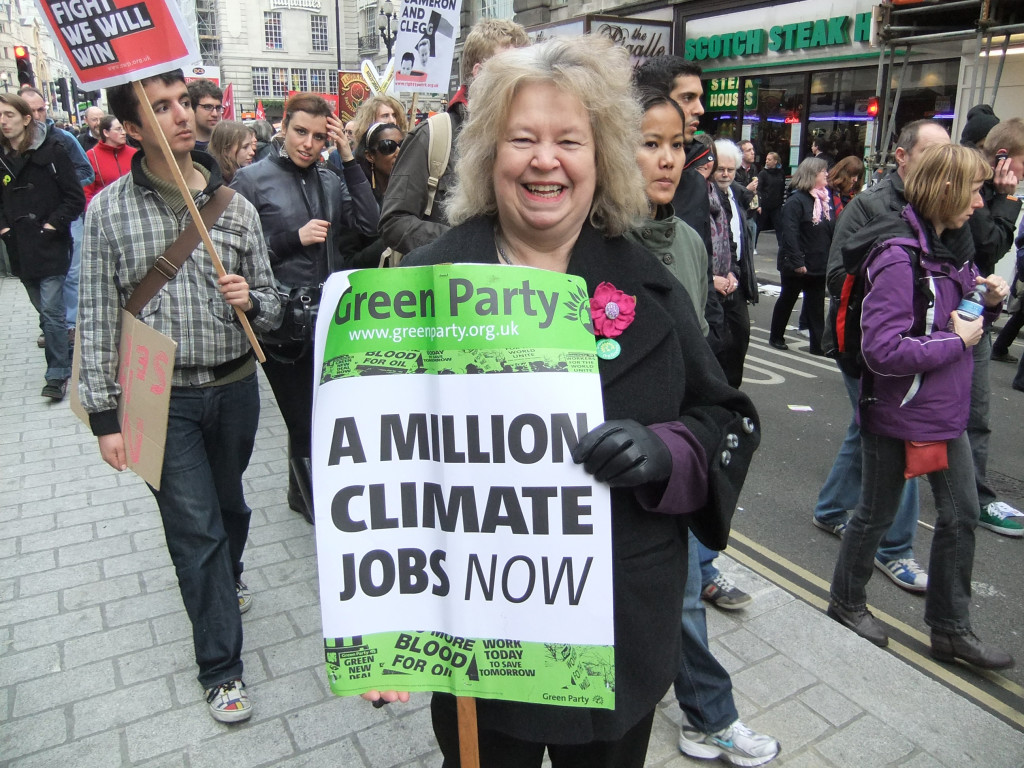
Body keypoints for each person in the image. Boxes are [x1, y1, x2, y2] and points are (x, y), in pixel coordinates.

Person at [383, 37, 761, 767]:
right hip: (479, 655)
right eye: (522, 138)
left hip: (618, 643)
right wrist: (382, 631)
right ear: (491, 154)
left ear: (602, 158)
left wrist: (667, 452)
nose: (545, 160)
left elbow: (725, 419)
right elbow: (373, 465)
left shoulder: (651, 287)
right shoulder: (419, 291)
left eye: (569, 140)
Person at [77, 70, 283, 721]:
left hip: (235, 388)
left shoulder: (238, 207)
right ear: (133, 128)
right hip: (157, 397)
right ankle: (221, 668)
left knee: (230, 510)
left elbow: (274, 304)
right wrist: (106, 418)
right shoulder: (107, 212)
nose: (180, 117)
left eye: (183, 104)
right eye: (159, 108)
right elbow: (98, 314)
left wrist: (253, 299)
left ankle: (230, 573)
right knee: (195, 531)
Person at [625, 91, 779, 767]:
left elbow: (696, 352)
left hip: (676, 456)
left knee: (681, 594)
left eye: (675, 144)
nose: (666, 159)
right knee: (676, 600)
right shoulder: (592, 244)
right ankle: (708, 714)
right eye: (647, 141)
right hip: (620, 463)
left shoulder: (685, 240)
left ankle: (701, 712)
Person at [828, 143, 1014, 671]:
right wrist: (958, 342)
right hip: (898, 413)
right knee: (876, 514)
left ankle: (951, 631)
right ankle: (845, 602)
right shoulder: (896, 254)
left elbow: (954, 318)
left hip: (941, 412)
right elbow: (881, 349)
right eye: (976, 190)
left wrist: (985, 301)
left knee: (962, 516)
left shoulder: (950, 246)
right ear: (948, 190)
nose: (981, 203)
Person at [815, 120, 953, 592]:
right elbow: (836, 275)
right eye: (933, 154)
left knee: (865, 428)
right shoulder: (871, 206)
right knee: (903, 441)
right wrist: (891, 286)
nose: (942, 165)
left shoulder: (944, 206)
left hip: (924, 348)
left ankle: (831, 508)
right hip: (871, 348)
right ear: (901, 156)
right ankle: (895, 549)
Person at [231, 92, 378, 524]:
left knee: (326, 414)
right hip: (280, 321)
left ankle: (301, 492)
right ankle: (316, 506)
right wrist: (293, 238)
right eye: (300, 132)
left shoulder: (331, 179)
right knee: (302, 417)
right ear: (283, 128)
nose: (308, 143)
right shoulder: (251, 180)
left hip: (330, 318)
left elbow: (371, 225)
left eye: (318, 136)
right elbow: (236, 255)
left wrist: (348, 157)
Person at [380, 18, 529, 255]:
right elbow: (394, 223)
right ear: (479, 74)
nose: (523, 81)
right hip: (448, 285)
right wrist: (461, 244)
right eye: (512, 71)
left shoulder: (533, 139)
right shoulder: (433, 136)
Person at [0, 93, 85, 400]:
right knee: (43, 309)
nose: (3, 121)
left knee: (51, 311)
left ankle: (57, 373)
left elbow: (74, 196)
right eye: (0, 116)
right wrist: (5, 229)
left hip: (51, 243)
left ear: (25, 118)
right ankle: (65, 348)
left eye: (9, 114)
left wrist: (53, 225)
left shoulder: (54, 149)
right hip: (20, 246)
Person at [963, 118, 1024, 536]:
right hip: (950, 318)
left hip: (976, 313)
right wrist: (1006, 200)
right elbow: (987, 245)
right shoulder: (974, 189)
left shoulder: (991, 192)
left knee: (977, 412)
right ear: (1002, 157)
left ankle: (977, 495)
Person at [18, 87, 94, 346]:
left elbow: (86, 171)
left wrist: (61, 186)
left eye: (42, 109)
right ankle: (52, 323)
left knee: (72, 272)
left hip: (67, 215)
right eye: (32, 111)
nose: (39, 115)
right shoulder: (9, 145)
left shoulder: (62, 138)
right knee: (35, 276)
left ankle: (70, 326)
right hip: (27, 223)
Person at [768, 156, 833, 354]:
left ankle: (817, 345)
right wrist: (797, 260)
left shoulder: (822, 199)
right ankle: (776, 336)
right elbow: (789, 233)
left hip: (818, 262)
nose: (827, 174)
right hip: (798, 263)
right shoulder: (796, 202)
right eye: (824, 172)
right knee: (788, 298)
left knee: (815, 304)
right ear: (813, 175)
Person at [711, 138, 757, 388]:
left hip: (734, 279)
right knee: (716, 344)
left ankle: (732, 391)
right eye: (721, 169)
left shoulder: (737, 194)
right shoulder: (705, 195)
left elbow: (736, 240)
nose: (726, 174)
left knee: (740, 338)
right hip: (713, 283)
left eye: (730, 169)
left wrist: (736, 273)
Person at [84, 115, 137, 207]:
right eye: (118, 129)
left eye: (123, 129)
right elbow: (87, 192)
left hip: (133, 209)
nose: (124, 132)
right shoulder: (91, 156)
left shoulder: (134, 153)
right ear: (106, 133)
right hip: (104, 212)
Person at [755, 151, 785, 245]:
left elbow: (782, 188)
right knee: (759, 226)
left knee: (779, 226)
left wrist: (780, 202)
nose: (767, 161)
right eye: (766, 159)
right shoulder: (763, 173)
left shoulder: (781, 173)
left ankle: (782, 246)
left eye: (769, 159)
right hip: (764, 204)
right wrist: (759, 204)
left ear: (775, 161)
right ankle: (753, 246)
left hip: (776, 205)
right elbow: (758, 189)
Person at [187, 78, 223, 151]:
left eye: (218, 108)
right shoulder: (182, 148)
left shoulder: (226, 145)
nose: (215, 114)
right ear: (192, 109)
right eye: (207, 107)